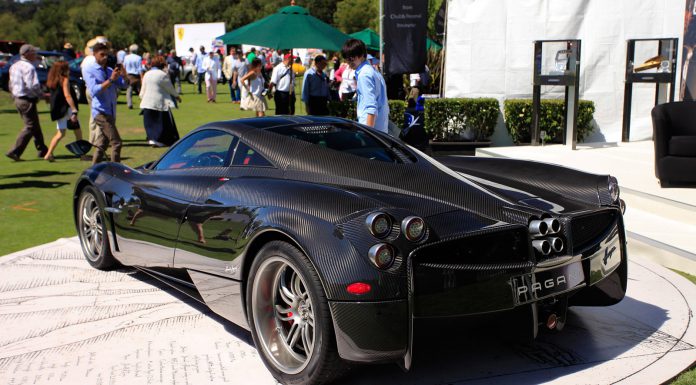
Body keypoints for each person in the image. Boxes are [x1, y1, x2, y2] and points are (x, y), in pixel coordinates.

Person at [83, 42, 126, 165]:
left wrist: (123, 73)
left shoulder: (108, 70)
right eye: (102, 54)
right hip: (101, 112)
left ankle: (93, 169)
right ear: (94, 54)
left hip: (110, 111)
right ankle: (116, 172)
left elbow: (123, 85)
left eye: (106, 55)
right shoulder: (89, 70)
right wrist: (111, 79)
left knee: (102, 144)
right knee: (116, 143)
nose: (105, 57)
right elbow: (94, 90)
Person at [6, 44, 48, 161]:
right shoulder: (29, 68)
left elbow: (10, 84)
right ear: (27, 54)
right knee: (30, 126)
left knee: (34, 124)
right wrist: (42, 95)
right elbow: (32, 86)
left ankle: (43, 149)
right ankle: (14, 151)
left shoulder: (14, 66)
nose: (35, 55)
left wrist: (13, 95)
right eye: (33, 52)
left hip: (18, 99)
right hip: (26, 99)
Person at [342, 39, 390, 133]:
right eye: (346, 58)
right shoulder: (372, 70)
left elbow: (371, 108)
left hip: (372, 131)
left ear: (362, 55)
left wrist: (368, 135)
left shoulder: (364, 74)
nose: (349, 62)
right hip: (380, 130)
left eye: (351, 58)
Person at [44, 60, 82, 161]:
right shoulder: (64, 80)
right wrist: (74, 110)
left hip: (58, 110)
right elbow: (67, 95)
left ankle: (48, 154)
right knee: (77, 131)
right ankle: (81, 153)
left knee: (61, 133)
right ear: (63, 70)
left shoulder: (52, 80)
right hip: (68, 109)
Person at [140, 55, 181, 147]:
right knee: (162, 123)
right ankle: (159, 141)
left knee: (150, 123)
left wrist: (142, 97)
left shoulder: (147, 74)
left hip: (147, 103)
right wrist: (177, 96)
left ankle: (152, 139)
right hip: (159, 103)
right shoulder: (162, 75)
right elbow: (170, 88)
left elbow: (143, 89)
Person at [123, 44, 143, 109]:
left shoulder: (126, 57)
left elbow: (124, 67)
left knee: (129, 91)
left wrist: (124, 75)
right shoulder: (139, 57)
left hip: (129, 75)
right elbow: (140, 68)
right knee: (140, 90)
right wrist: (142, 77)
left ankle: (129, 104)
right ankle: (143, 103)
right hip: (136, 76)